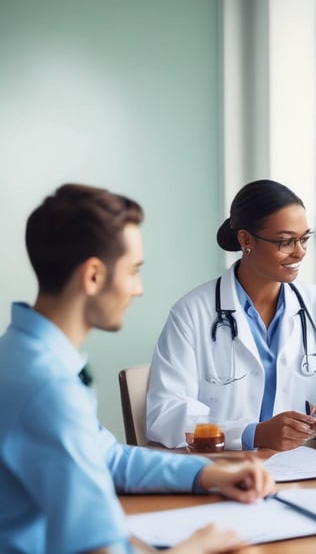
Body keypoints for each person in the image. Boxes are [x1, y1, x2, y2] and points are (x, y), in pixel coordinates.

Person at [0, 184, 275, 553]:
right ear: (94, 276)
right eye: (133, 271)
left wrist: (209, 473)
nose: (138, 288)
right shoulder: (48, 388)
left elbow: (106, 457)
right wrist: (195, 548)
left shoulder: (22, 354)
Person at [146, 180, 316, 451]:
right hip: (225, 469)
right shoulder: (192, 313)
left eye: (304, 239)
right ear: (246, 240)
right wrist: (252, 434)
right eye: (286, 241)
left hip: (303, 468)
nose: (299, 251)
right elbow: (166, 413)